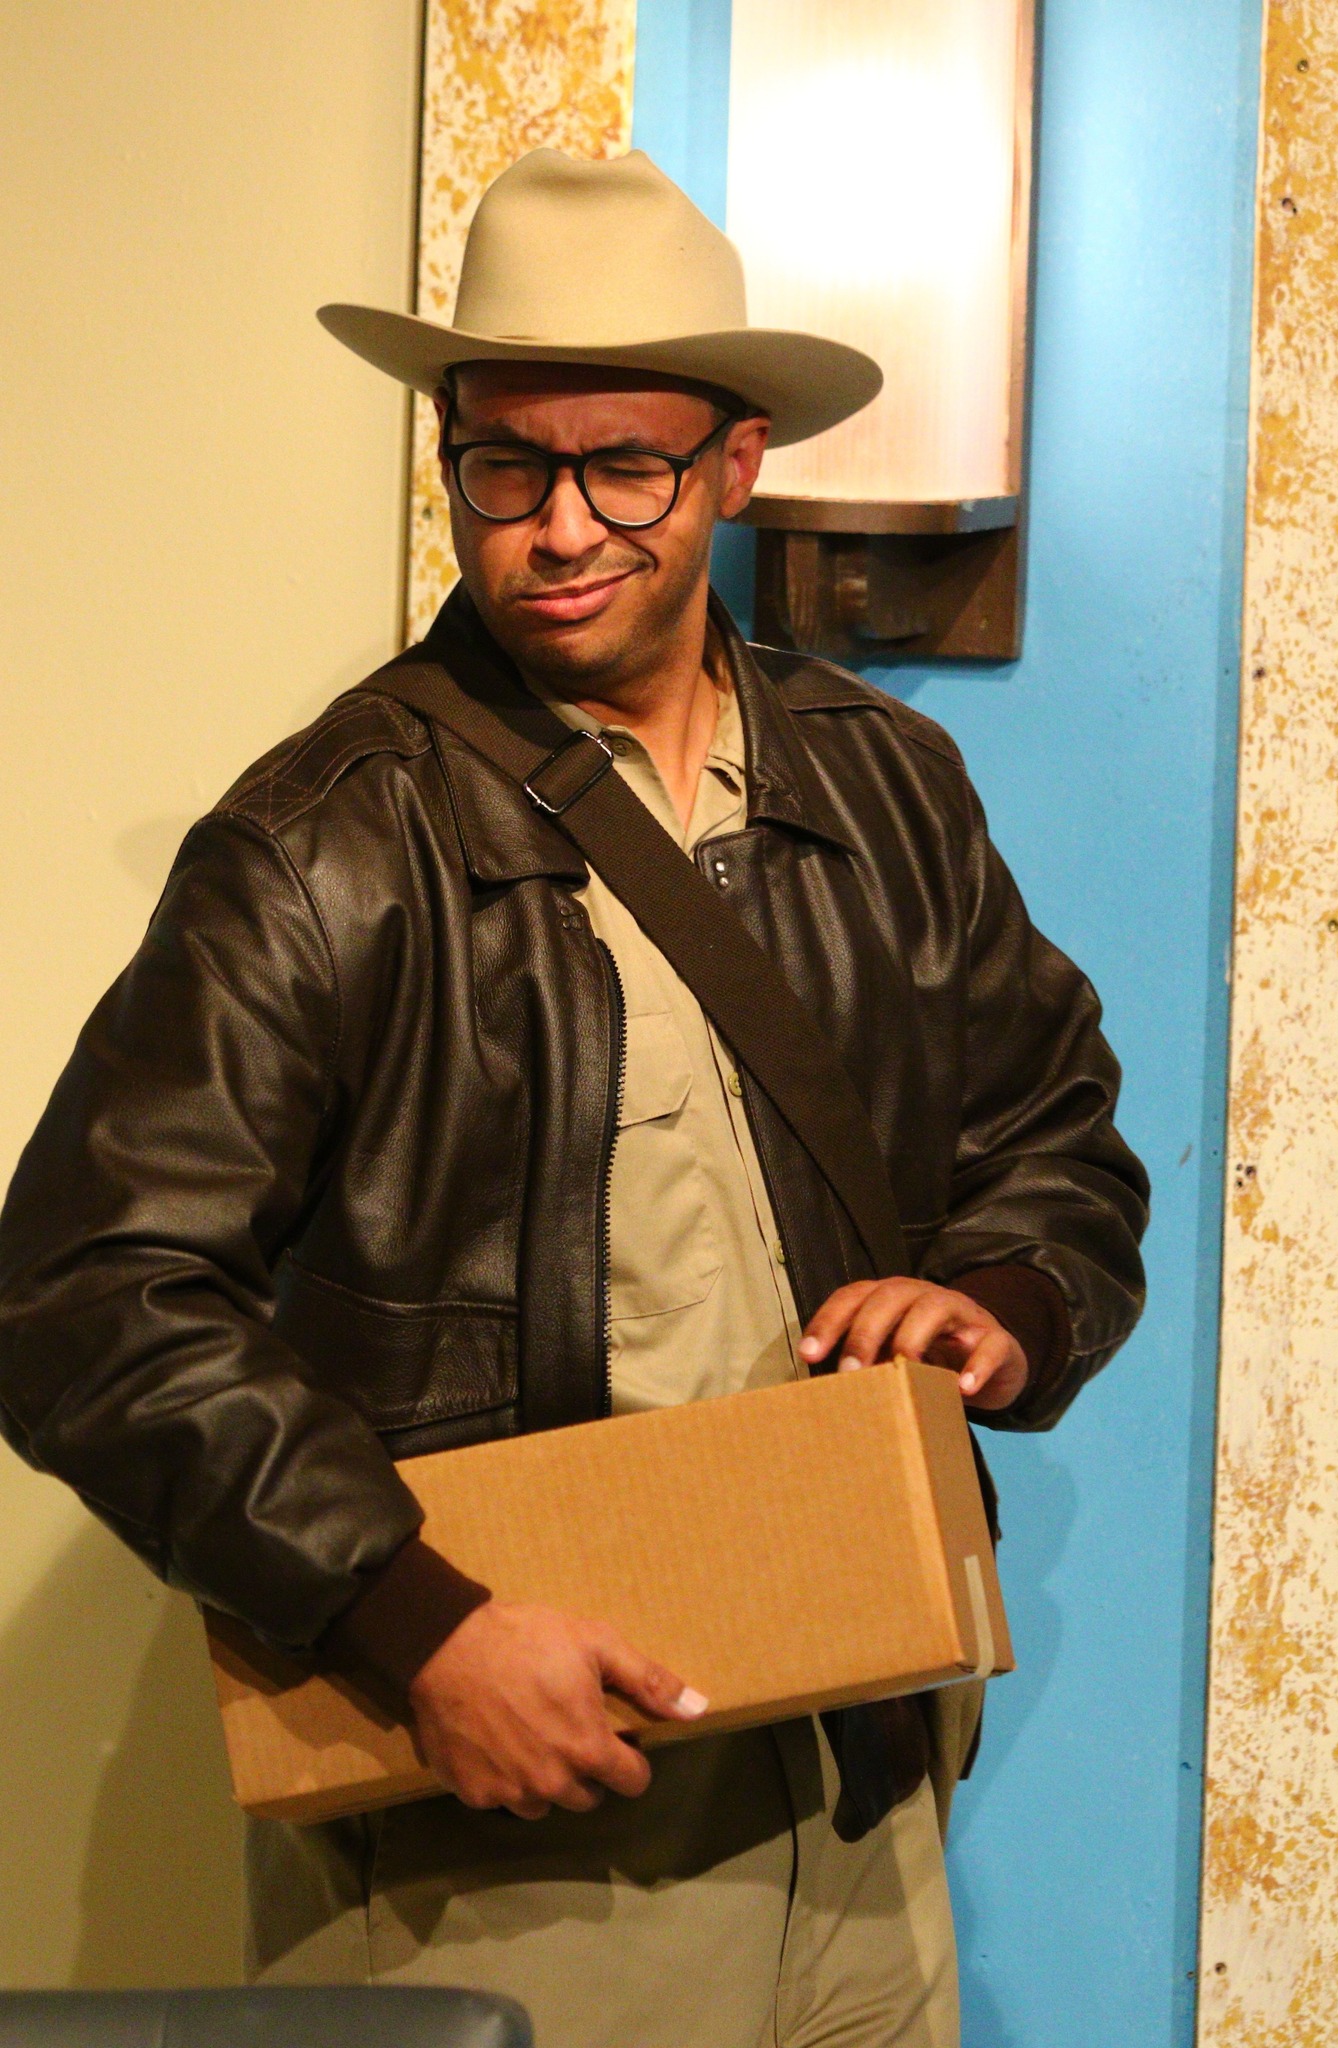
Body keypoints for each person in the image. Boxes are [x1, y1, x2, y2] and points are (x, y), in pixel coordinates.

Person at [0, 149, 1147, 2046]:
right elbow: (81, 1297)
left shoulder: (884, 783)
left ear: (734, 464)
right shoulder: (323, 844)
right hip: (506, 1820)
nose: (556, 530)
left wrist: (1000, 1304)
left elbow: (1054, 1138)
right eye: (504, 467)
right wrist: (416, 1627)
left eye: (624, 467)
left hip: (858, 1787)